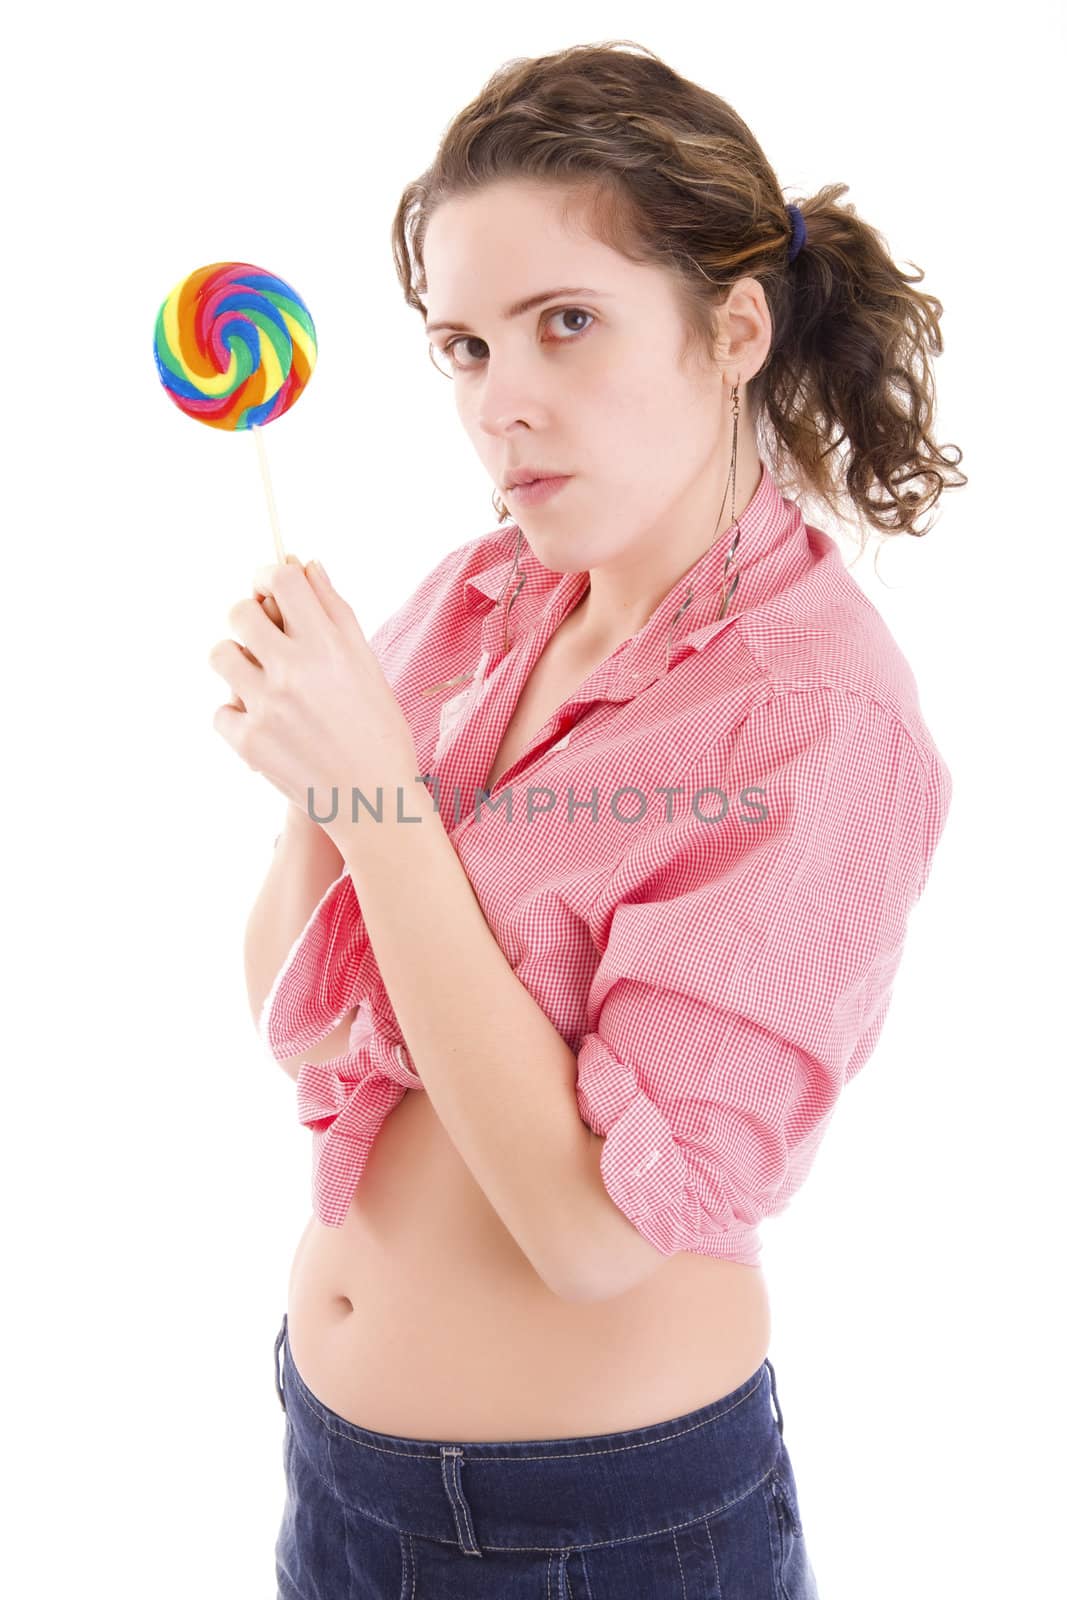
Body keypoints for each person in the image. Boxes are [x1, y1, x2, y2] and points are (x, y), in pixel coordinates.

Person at [250, 39, 964, 1598]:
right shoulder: (480, 600)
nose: (504, 407)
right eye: (462, 348)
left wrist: (374, 798)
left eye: (565, 325)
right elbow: (303, 1028)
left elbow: (591, 1240)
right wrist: (326, 761)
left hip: (601, 1532)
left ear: (735, 328)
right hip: (334, 1466)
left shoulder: (817, 715)